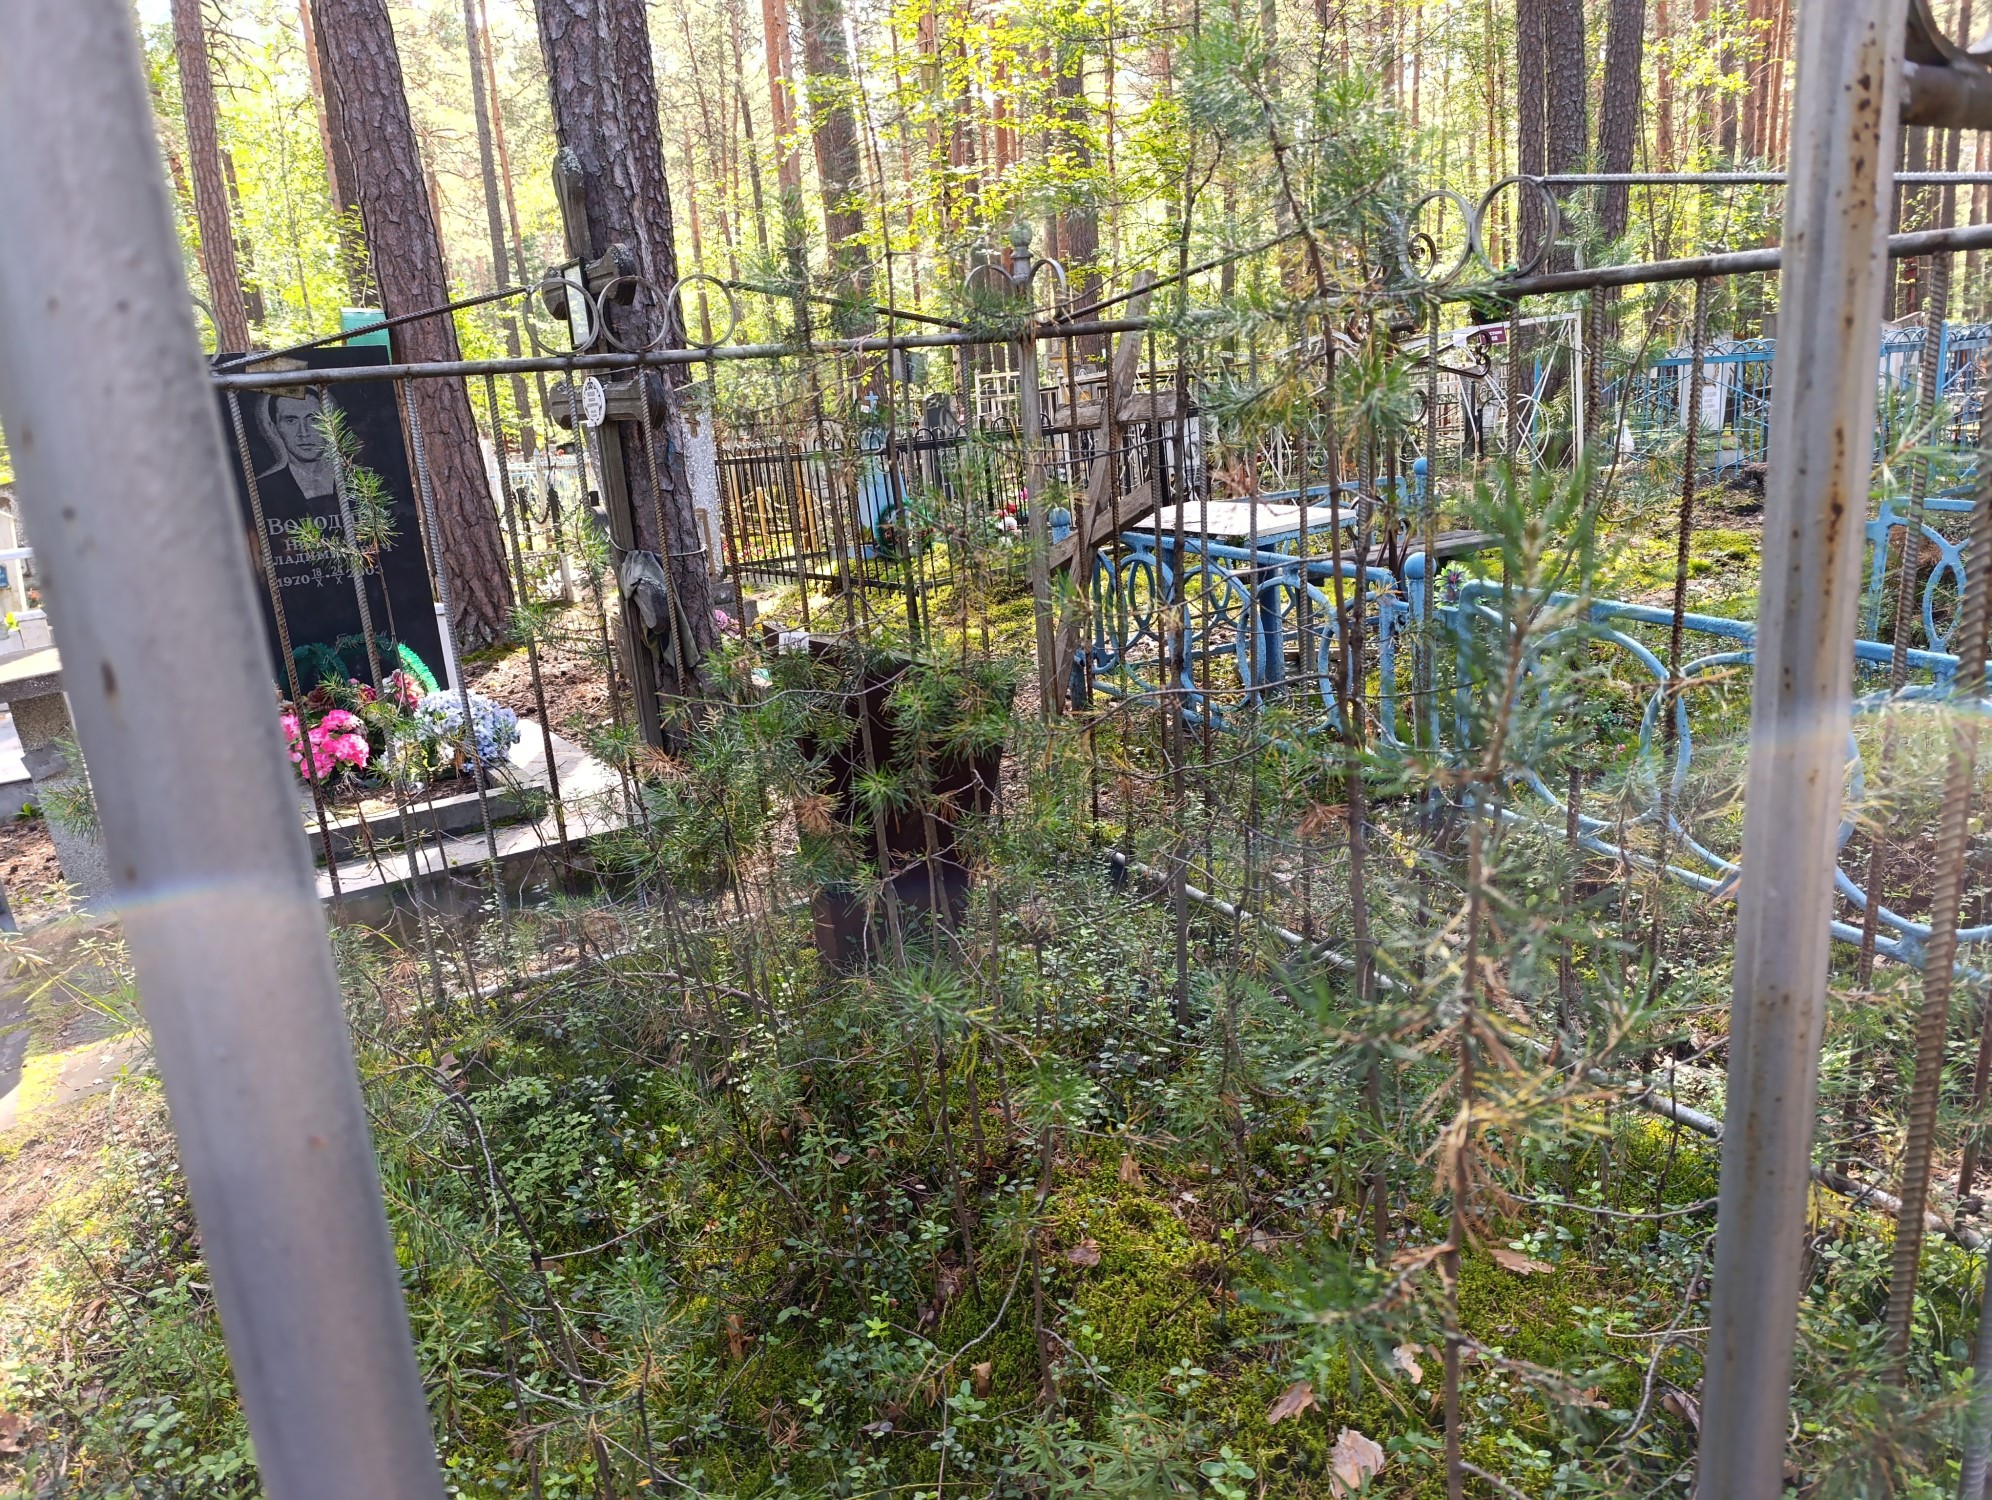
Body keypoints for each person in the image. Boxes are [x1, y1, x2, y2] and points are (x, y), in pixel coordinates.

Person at [254, 388, 338, 502]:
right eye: (291, 421)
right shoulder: (261, 491)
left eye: (314, 419)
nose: (304, 433)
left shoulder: (358, 480)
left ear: (329, 424)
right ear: (274, 429)